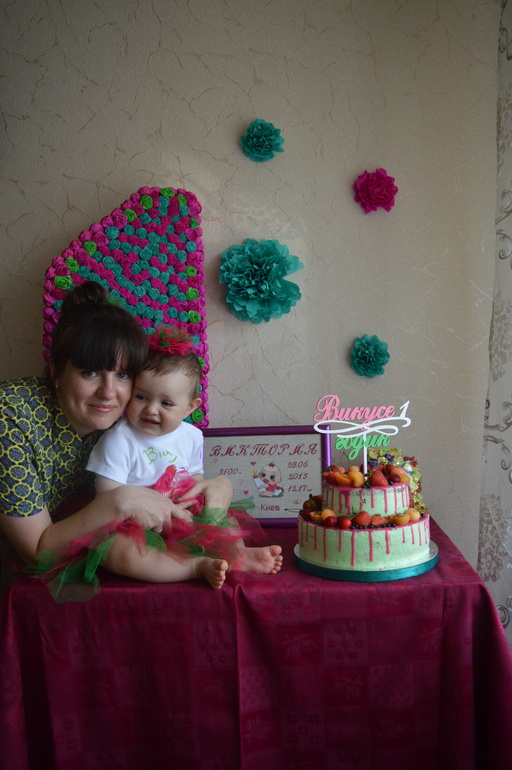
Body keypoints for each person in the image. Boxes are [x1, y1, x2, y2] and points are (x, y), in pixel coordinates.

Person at [0, 281, 233, 578]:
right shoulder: (10, 417)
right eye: (90, 372)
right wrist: (118, 502)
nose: (109, 393)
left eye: (122, 374)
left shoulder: (131, 416)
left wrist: (218, 486)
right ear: (57, 371)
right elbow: (35, 552)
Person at [86, 326, 283, 589]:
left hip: (182, 515)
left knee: (224, 517)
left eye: (166, 403)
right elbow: (108, 499)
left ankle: (238, 554)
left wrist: (196, 508)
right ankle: (195, 567)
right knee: (116, 551)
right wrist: (147, 516)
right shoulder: (119, 440)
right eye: (141, 397)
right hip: (136, 523)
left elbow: (194, 478)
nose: (151, 410)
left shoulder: (191, 436)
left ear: (190, 407)